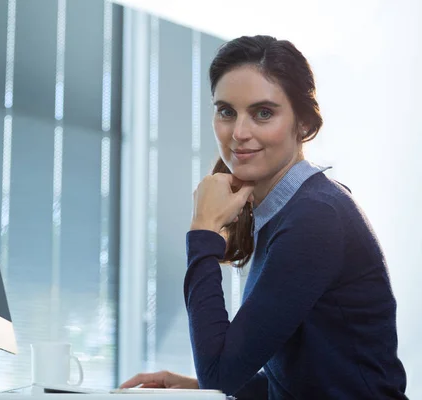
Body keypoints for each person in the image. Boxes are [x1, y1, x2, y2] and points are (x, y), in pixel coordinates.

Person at [120, 35, 408, 399]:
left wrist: (203, 230)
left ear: (303, 125)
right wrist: (193, 387)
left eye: (263, 113)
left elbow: (219, 375)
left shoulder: (316, 217)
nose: (239, 133)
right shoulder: (291, 210)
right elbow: (306, 379)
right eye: (226, 111)